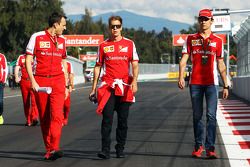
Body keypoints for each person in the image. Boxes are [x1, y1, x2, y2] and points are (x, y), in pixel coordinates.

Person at [178, 8, 229, 159]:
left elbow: (221, 65)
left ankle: (210, 148)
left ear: (211, 21)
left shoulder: (218, 41)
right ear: (198, 21)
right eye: (201, 19)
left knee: (211, 116)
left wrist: (226, 85)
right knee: (197, 116)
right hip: (195, 83)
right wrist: (181, 76)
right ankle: (198, 146)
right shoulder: (190, 38)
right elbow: (183, 60)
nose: (203, 22)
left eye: (206, 19)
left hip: (212, 84)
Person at [89, 15, 139, 159]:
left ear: (121, 27)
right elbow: (98, 66)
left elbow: (135, 65)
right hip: (108, 87)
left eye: (117, 26)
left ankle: (120, 148)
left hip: (124, 87)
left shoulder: (130, 44)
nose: (115, 29)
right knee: (107, 119)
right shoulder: (103, 45)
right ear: (109, 28)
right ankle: (105, 150)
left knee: (123, 121)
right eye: (112, 26)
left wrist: (134, 81)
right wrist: (93, 88)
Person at [25, 12, 68, 160]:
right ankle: (49, 149)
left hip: (58, 81)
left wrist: (67, 84)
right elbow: (28, 60)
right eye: (63, 25)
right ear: (55, 25)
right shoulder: (36, 37)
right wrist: (33, 81)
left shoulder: (62, 40)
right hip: (41, 81)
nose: (65, 28)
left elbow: (64, 62)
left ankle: (55, 148)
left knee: (57, 116)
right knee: (44, 117)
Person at [14, 54, 39, 126]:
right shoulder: (21, 57)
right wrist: (16, 76)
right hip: (24, 82)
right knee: (26, 101)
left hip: (33, 82)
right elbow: (17, 67)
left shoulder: (36, 57)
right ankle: (28, 120)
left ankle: (34, 117)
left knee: (34, 101)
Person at [63, 60, 74, 126]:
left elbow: (71, 74)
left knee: (66, 105)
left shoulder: (68, 64)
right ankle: (60, 119)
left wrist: (70, 85)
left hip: (66, 87)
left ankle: (65, 117)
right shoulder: (53, 62)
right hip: (56, 86)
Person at [0, 53, 8, 125]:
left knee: (0, 100)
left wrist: (4, 80)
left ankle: (0, 115)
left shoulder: (2, 56)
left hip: (0, 82)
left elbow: (5, 69)